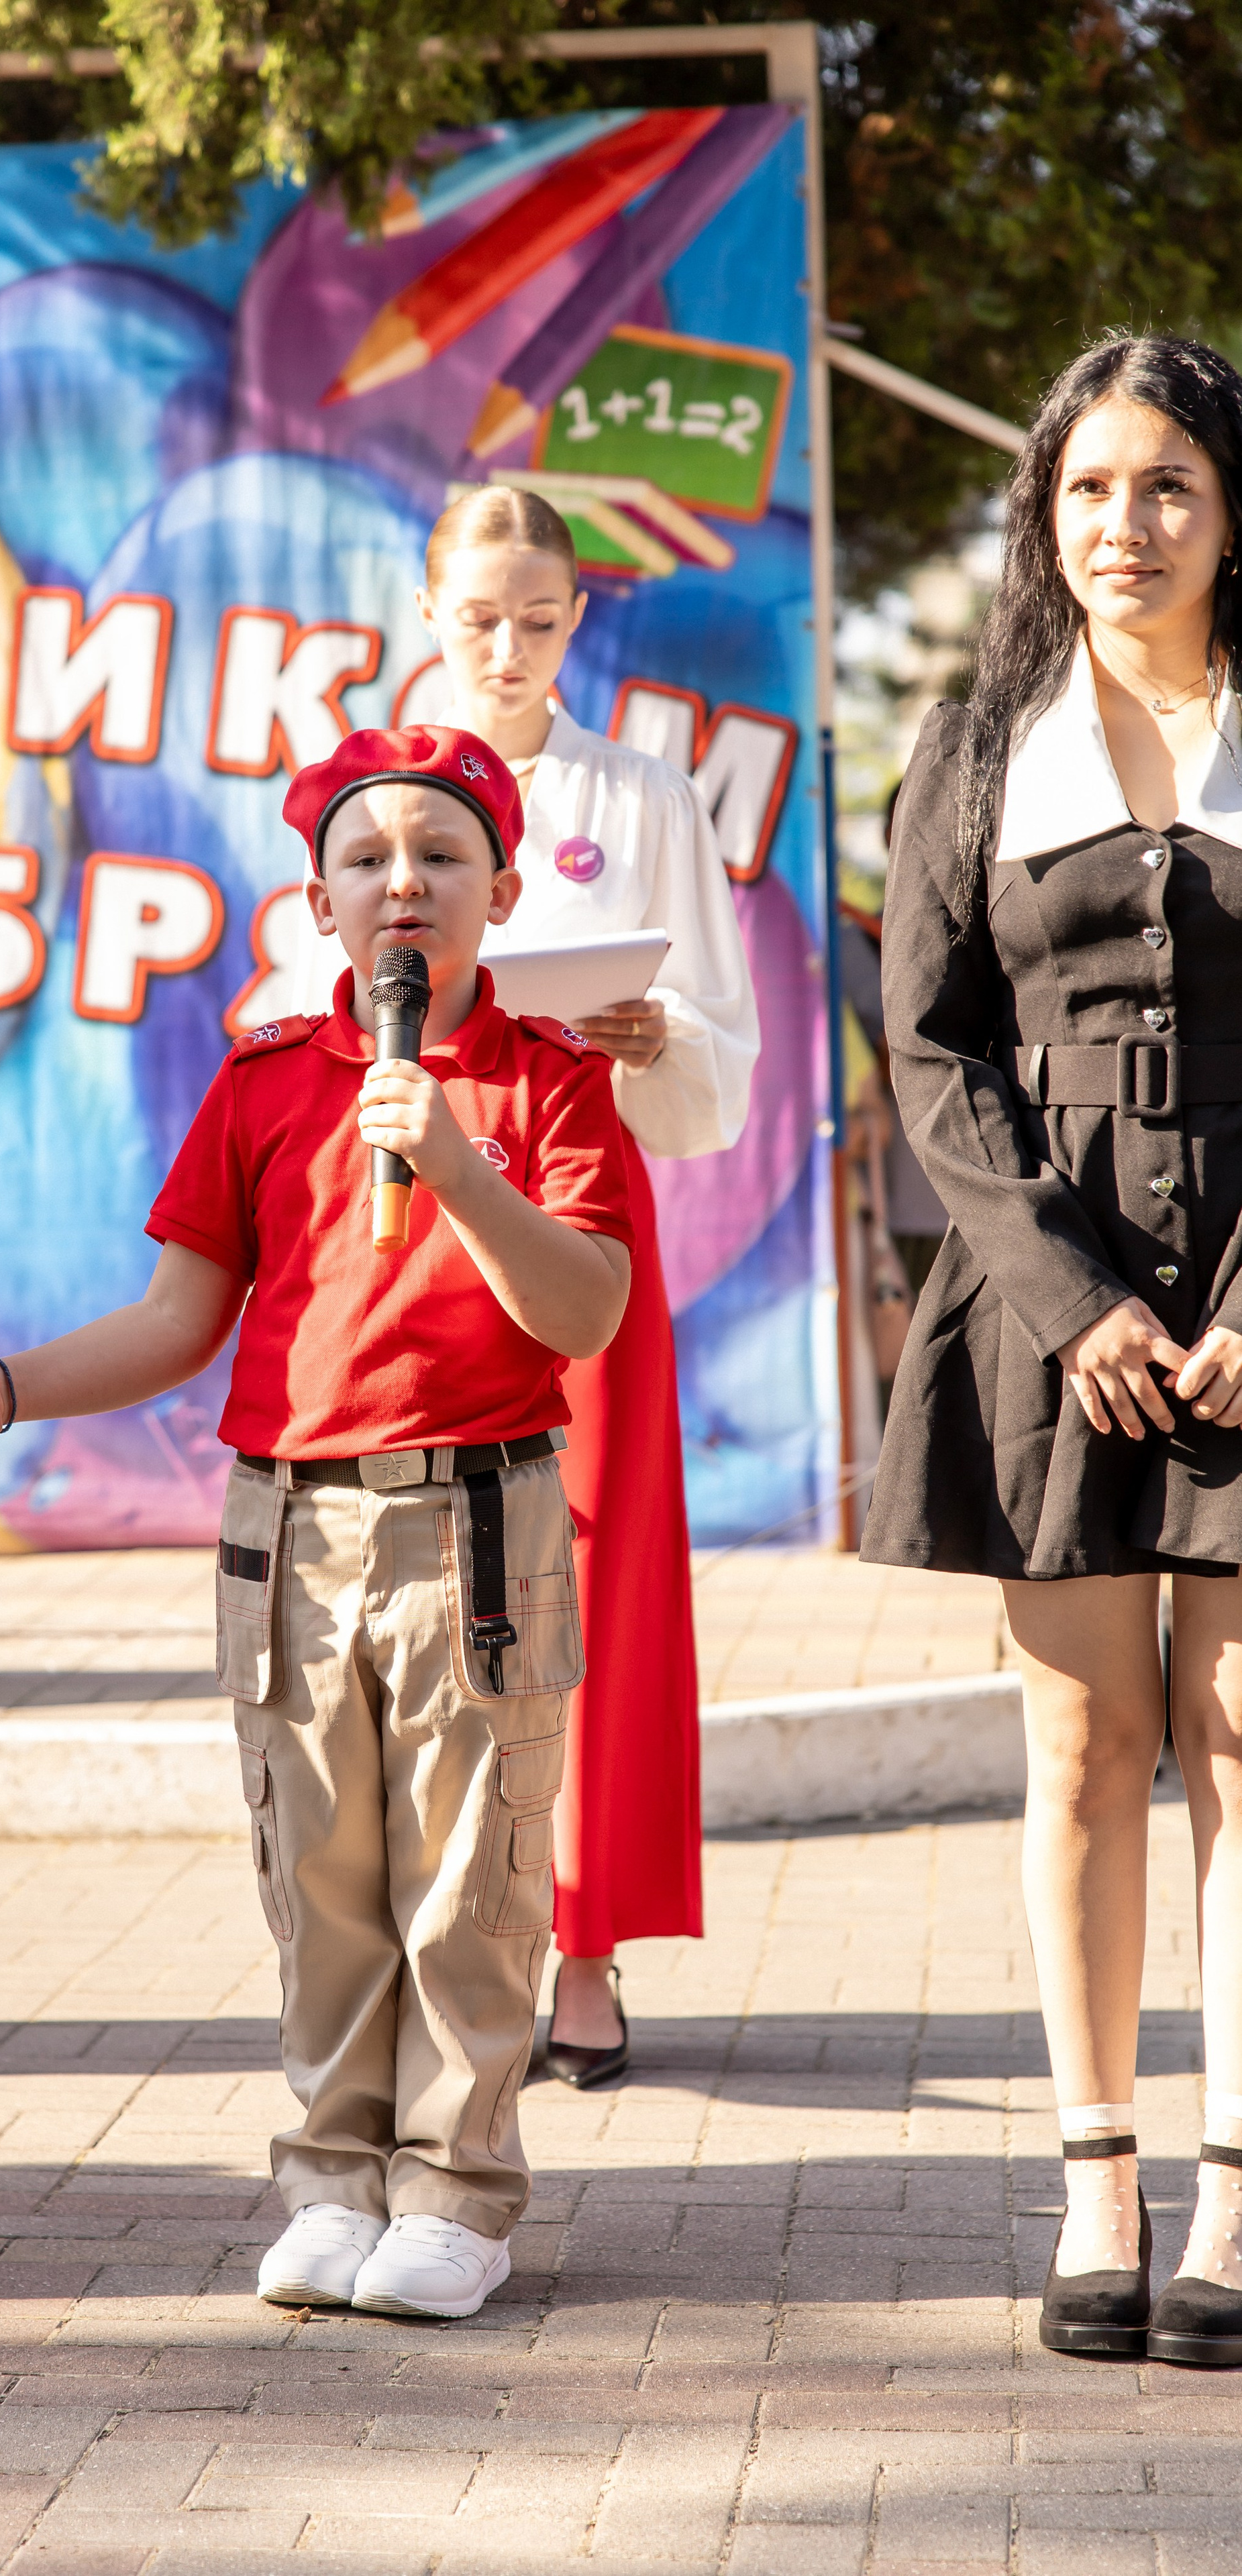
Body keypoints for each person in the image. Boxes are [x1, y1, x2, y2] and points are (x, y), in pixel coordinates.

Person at [0, 725, 635, 2318]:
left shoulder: (550, 1079)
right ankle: (334, 2178)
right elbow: (177, 1321)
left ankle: (455, 2190)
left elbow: (582, 1311)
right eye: (365, 860)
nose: (402, 885)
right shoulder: (264, 1085)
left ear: (501, 893)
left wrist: (453, 1163)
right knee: (321, 1872)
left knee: (471, 1879)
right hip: (287, 1530)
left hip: (477, 1520)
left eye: (440, 855)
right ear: (318, 906)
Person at [863, 332, 1242, 2370]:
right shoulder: (977, 744)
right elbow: (934, 1052)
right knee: (1086, 1746)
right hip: (1050, 1305)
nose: (1127, 523)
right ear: (1044, 511)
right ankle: (1099, 2180)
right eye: (1090, 486)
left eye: (1168, 482)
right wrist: (1071, 1298)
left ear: (1231, 511)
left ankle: (1235, 2194)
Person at [298, 488, 758, 2083]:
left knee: (590, 1569)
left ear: (577, 619)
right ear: (426, 612)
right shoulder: (367, 786)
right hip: (402, 1208)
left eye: (539, 620)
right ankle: (426, 1934)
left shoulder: (639, 793)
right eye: (479, 617)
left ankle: (583, 1941)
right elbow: (303, 995)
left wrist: (651, 1036)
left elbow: (714, 1041)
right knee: (413, 1580)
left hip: (568, 1205)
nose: (506, 647)